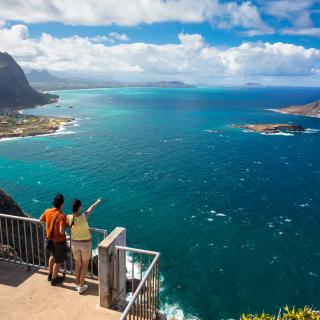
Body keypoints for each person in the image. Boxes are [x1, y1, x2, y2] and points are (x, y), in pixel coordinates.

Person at [67, 198, 102, 294]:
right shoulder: (83, 216)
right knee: (85, 266)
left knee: (78, 265)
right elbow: (91, 208)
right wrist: (97, 202)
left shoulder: (69, 217)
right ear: (79, 207)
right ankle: (81, 287)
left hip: (74, 244)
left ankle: (77, 284)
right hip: (85, 244)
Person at [40, 194, 68, 286]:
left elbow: (41, 220)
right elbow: (61, 232)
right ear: (62, 204)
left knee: (52, 256)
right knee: (58, 261)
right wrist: (67, 225)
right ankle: (54, 279)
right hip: (59, 242)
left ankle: (50, 274)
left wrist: (48, 226)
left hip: (49, 239)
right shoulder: (62, 216)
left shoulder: (47, 211)